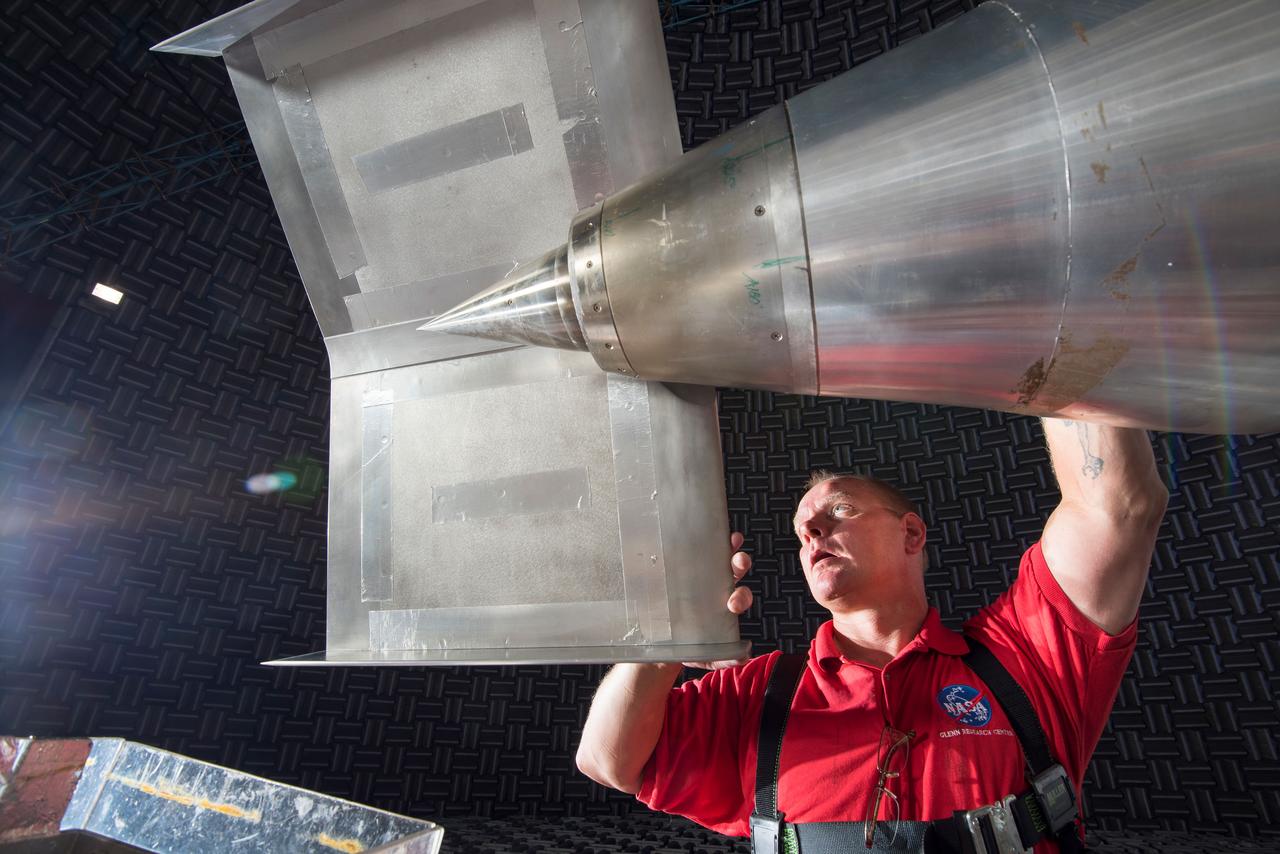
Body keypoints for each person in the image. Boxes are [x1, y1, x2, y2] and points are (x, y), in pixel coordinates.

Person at [575, 418, 1168, 851]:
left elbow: (1118, 507)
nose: (810, 528)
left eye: (840, 511)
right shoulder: (759, 693)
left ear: (912, 534)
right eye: (803, 528)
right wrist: (667, 630)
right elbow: (609, 761)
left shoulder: (1024, 652)